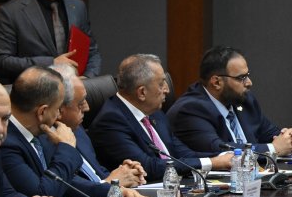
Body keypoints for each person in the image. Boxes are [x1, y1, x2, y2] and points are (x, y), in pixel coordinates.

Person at [1, 66, 150, 197]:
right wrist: (66, 148)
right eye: (58, 108)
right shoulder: (7, 143)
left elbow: (68, 184)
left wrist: (114, 191)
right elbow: (42, 195)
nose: (59, 115)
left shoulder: (38, 133)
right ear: (42, 112)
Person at [88, 54, 233, 181]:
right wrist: (213, 162)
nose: (167, 90)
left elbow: (182, 153)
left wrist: (225, 156)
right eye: (161, 83)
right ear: (142, 92)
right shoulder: (110, 122)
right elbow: (149, 167)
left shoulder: (155, 112)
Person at [168, 46, 292, 157]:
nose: (249, 83)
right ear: (216, 82)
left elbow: (272, 134)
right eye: (241, 78)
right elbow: (220, 150)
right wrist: (273, 149)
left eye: (247, 76)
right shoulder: (191, 110)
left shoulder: (245, 101)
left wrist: (290, 140)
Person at [50, 64, 148, 190]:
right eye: (80, 103)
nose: (87, 108)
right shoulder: (45, 143)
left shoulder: (78, 130)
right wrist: (112, 183)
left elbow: (97, 173)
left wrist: (126, 174)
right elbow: (68, 188)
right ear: (58, 110)